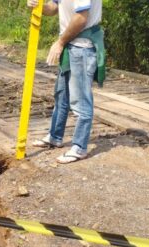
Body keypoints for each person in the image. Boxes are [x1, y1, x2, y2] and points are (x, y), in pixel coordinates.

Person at [28, 0, 105, 163]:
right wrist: (39, 6)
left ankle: (79, 147)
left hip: (82, 48)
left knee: (81, 100)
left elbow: (81, 18)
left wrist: (60, 42)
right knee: (61, 95)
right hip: (71, 47)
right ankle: (55, 137)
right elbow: (54, 8)